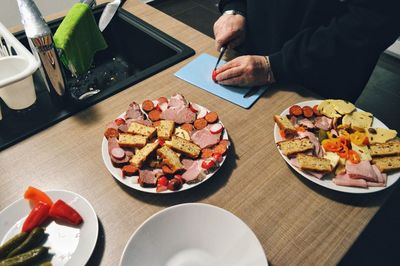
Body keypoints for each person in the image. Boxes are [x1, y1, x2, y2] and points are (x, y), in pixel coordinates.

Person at [213, 0, 400, 102]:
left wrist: (276, 66)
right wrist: (235, 8)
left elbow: (372, 22)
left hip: (317, 75)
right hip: (247, 53)